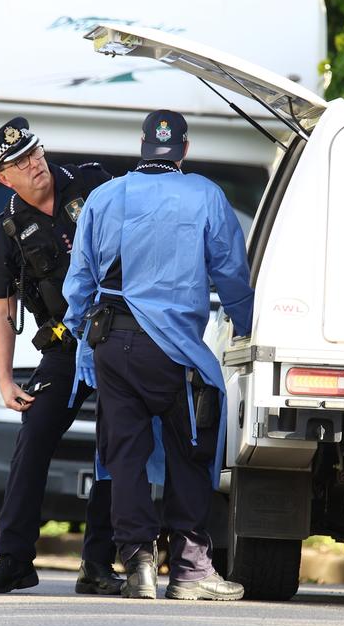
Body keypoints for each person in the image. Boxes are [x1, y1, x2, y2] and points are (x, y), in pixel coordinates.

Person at [63, 109, 254, 600]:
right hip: (173, 349)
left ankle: (138, 565)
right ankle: (190, 571)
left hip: (111, 344)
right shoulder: (206, 196)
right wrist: (249, 326)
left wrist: (81, 338)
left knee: (124, 456)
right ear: (183, 150)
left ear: (142, 146)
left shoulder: (103, 197)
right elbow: (232, 276)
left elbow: (79, 282)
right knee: (190, 451)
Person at [0, 117, 123, 595]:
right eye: (20, 162)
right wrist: (3, 380)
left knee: (116, 445)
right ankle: (14, 559)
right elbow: (3, 311)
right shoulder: (8, 230)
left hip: (119, 338)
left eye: (35, 152)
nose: (33, 164)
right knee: (34, 433)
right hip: (65, 348)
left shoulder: (94, 182)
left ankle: (98, 565)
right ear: (4, 177)